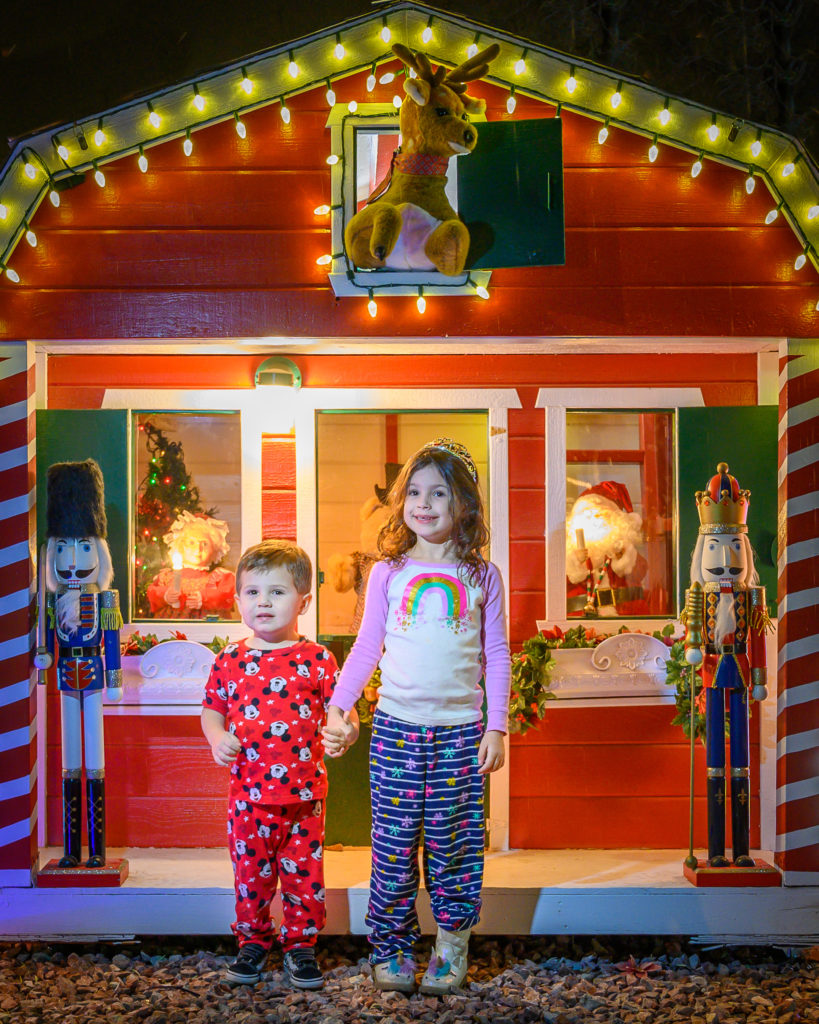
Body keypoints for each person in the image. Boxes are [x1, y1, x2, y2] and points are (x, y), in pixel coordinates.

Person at [323, 438, 511, 996]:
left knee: (454, 843)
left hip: (460, 734)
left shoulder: (483, 577)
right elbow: (366, 647)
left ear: (464, 506)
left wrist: (496, 726)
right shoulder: (388, 572)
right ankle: (392, 946)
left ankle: (451, 945)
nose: (423, 504)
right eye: (414, 492)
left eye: (439, 493)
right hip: (397, 732)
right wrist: (340, 703)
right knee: (395, 843)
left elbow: (497, 654)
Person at [201, 540, 357, 988]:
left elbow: (343, 711)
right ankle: (253, 941)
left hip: (304, 797)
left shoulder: (318, 659)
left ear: (303, 601)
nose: (263, 602)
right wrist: (217, 737)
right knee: (251, 875)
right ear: (237, 601)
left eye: (277, 592)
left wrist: (345, 732)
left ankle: (301, 946)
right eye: (251, 593)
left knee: (304, 875)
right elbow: (211, 710)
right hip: (248, 797)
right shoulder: (229, 660)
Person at [34, 459, 124, 869]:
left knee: (96, 761)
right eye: (66, 547)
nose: (73, 558)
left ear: (99, 551)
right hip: (66, 681)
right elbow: (48, 638)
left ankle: (99, 850)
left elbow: (110, 639)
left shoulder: (105, 599)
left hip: (94, 679)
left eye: (84, 546)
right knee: (71, 760)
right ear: (53, 551)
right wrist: (45, 653)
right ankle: (72, 848)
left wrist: (115, 674)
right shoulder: (53, 601)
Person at [683, 462, 769, 867]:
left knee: (743, 763)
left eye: (734, 547)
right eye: (717, 548)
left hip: (740, 671)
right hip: (712, 674)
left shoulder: (752, 597)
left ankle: (742, 851)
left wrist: (761, 677)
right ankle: (717, 849)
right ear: (703, 551)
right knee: (715, 759)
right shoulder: (700, 596)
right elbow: (693, 635)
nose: (726, 558)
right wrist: (693, 650)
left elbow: (760, 639)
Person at [147, 510, 237, 619]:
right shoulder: (166, 577)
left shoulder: (218, 578)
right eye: (191, 542)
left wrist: (205, 598)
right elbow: (152, 592)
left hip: (207, 631)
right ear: (181, 545)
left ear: (214, 548)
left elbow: (226, 596)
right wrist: (165, 595)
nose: (198, 549)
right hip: (171, 630)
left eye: (204, 543)